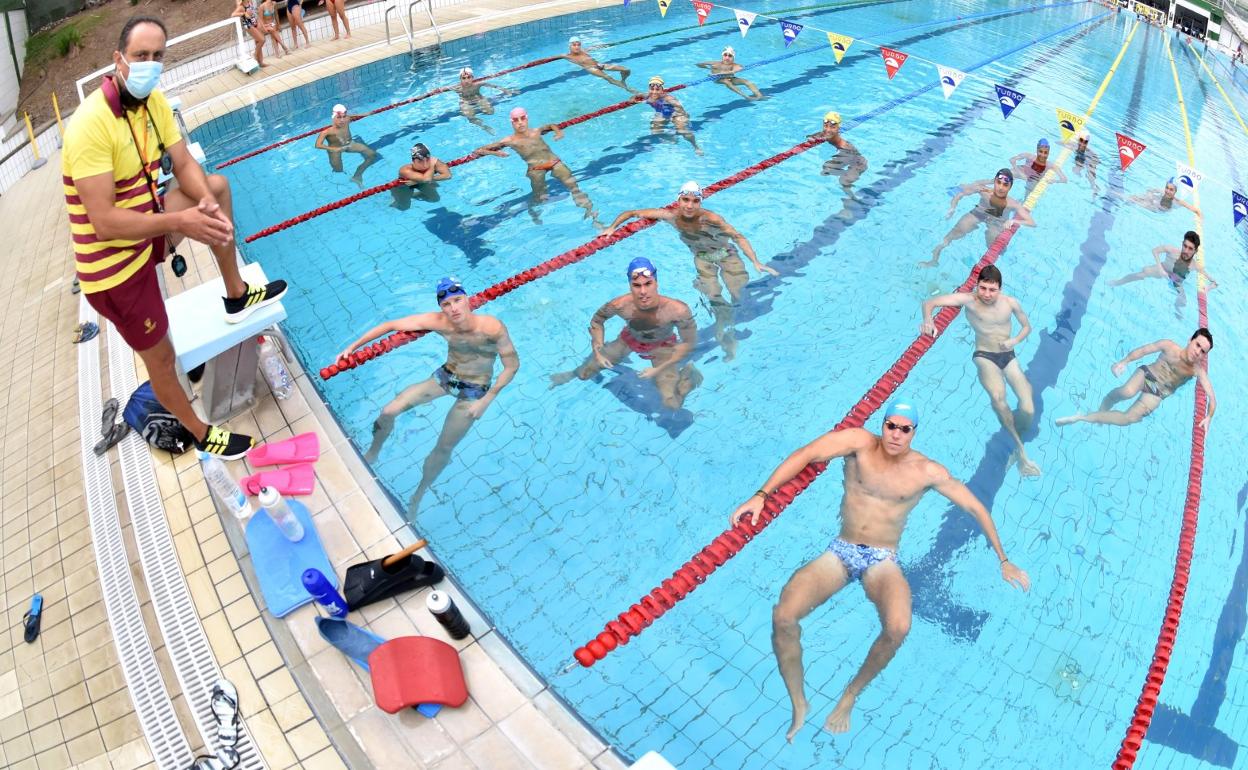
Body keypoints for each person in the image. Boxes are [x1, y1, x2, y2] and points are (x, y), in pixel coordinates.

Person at [731, 399, 1030, 740]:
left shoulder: (926, 471)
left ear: (913, 434)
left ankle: (850, 694)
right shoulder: (859, 443)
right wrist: (761, 495)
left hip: (882, 561)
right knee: (784, 616)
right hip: (841, 552)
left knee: (899, 627)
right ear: (882, 423)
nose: (896, 435)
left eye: (905, 429)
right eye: (892, 426)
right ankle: (799, 703)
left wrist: (1003, 560)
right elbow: (807, 453)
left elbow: (976, 507)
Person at [63, 16, 287, 459]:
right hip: (114, 267)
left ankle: (236, 293)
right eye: (140, 56)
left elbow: (183, 164)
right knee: (162, 358)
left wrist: (204, 206)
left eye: (157, 56)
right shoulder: (90, 124)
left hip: (147, 227)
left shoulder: (153, 104)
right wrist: (178, 224)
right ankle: (202, 432)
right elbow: (104, 222)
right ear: (118, 60)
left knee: (216, 187)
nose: (149, 64)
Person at [339, 278, 519, 513]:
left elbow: (512, 365)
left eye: (457, 300)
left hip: (474, 391)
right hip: (446, 377)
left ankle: (419, 494)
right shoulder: (439, 322)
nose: (453, 308)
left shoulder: (492, 327)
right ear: (441, 307)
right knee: (388, 411)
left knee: (443, 447)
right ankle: (373, 452)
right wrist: (353, 346)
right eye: (446, 304)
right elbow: (391, 325)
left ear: (467, 299)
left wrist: (486, 401)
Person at [605, 181, 777, 360]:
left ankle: (733, 329)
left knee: (739, 297)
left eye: (695, 201)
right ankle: (727, 338)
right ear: (678, 200)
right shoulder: (670, 216)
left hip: (726, 255)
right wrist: (612, 227)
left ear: (700, 202)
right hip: (703, 259)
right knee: (715, 300)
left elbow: (737, 236)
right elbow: (632, 213)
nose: (689, 205)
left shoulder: (711, 218)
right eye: (685, 199)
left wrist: (755, 261)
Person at [920, 266, 1040, 476]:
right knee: (998, 398)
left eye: (991, 290)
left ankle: (1014, 442)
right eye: (982, 288)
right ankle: (1021, 452)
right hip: (985, 356)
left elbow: (1026, 327)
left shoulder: (1010, 303)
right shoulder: (968, 300)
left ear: (1000, 289)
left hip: (1008, 356)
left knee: (1028, 408)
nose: (986, 294)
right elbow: (929, 303)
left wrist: (1015, 340)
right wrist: (928, 320)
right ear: (977, 286)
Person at [550, 257, 702, 409]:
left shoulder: (678, 310)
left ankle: (689, 374)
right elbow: (597, 321)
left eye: (648, 284)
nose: (643, 291)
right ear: (630, 285)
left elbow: (689, 343)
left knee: (671, 404)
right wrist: (598, 351)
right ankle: (571, 374)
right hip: (629, 339)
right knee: (584, 374)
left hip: (662, 346)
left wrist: (658, 370)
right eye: (637, 285)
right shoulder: (620, 305)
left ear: (656, 283)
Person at [1056, 329, 1215, 429]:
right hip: (1147, 375)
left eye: (1203, 351)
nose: (1197, 352)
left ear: (1205, 355)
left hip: (1157, 393)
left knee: (1128, 419)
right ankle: (1101, 411)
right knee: (1126, 392)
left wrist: (1208, 417)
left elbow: (1212, 397)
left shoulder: (1196, 371)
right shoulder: (1169, 346)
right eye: (1197, 345)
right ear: (1190, 340)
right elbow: (1145, 350)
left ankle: (1081, 418)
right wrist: (1124, 362)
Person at [473, 107, 598, 222]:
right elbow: (479, 150)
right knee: (540, 197)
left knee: (574, 187)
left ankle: (590, 211)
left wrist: (559, 132)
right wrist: (496, 153)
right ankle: (532, 209)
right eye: (516, 120)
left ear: (527, 119)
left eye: (522, 118)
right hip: (535, 169)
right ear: (512, 123)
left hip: (554, 162)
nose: (520, 122)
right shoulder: (508, 141)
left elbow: (551, 125)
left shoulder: (536, 131)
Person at [922, 168, 1035, 267]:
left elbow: (1031, 222)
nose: (1000, 187)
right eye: (998, 182)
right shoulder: (984, 191)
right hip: (979, 213)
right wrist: (952, 207)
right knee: (957, 230)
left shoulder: (1012, 203)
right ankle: (934, 259)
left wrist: (1013, 220)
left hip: (997, 221)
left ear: (1010, 187)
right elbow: (961, 194)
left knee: (994, 242)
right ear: (994, 181)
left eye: (1005, 185)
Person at [1108, 231, 1218, 316]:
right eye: (1185, 246)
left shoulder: (1195, 265)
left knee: (1183, 301)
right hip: (1163, 270)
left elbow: (1214, 282)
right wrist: (1160, 268)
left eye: (1190, 248)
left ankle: (1177, 311)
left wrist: (1207, 289)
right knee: (1141, 274)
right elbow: (1155, 251)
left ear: (1195, 251)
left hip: (1177, 281)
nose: (1186, 250)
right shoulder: (1172, 250)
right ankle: (1118, 282)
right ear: (1182, 243)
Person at [314, 104, 379, 186]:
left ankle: (357, 175)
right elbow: (318, 145)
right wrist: (333, 149)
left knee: (372, 155)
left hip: (350, 144)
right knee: (338, 170)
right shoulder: (327, 132)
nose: (342, 120)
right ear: (333, 118)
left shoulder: (347, 119)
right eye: (339, 118)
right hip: (335, 150)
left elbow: (352, 116)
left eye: (344, 117)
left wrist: (365, 114)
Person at [807, 111, 867, 191]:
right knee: (826, 170)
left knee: (843, 181)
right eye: (826, 126)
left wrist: (846, 173)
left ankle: (853, 198)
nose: (828, 130)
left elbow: (849, 157)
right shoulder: (824, 133)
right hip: (849, 155)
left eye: (832, 127)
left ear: (838, 128)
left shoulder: (845, 146)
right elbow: (811, 137)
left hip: (856, 160)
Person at [644, 76, 701, 155]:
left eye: (657, 89)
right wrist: (632, 99)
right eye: (652, 89)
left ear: (662, 90)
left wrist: (683, 119)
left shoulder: (669, 99)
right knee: (655, 131)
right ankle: (672, 139)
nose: (654, 92)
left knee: (684, 132)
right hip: (663, 114)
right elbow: (635, 95)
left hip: (676, 114)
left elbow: (681, 109)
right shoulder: (647, 96)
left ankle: (696, 146)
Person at [455, 66, 518, 133]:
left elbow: (493, 86)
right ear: (460, 79)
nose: (466, 80)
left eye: (468, 77)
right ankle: (483, 126)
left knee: (490, 112)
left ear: (472, 78)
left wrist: (505, 90)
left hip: (479, 99)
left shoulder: (477, 84)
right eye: (464, 78)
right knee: (470, 117)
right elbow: (445, 89)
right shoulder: (457, 88)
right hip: (465, 102)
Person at [562, 36, 634, 92]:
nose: (577, 47)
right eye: (574, 45)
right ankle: (629, 89)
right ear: (570, 46)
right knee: (609, 78)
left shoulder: (583, 51)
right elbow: (555, 56)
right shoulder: (568, 56)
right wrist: (550, 59)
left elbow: (595, 47)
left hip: (599, 65)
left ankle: (623, 81)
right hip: (591, 68)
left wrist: (604, 45)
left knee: (626, 70)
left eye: (578, 45)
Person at [391, 143, 451, 209]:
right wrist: (432, 165)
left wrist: (432, 178)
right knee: (404, 207)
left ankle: (414, 195)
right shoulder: (405, 170)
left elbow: (448, 175)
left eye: (427, 159)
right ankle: (396, 201)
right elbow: (426, 179)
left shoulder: (434, 161)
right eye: (420, 161)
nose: (425, 164)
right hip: (404, 186)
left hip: (420, 183)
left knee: (435, 199)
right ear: (413, 160)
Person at [695, 46, 763, 99]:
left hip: (731, 78)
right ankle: (747, 97)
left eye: (730, 56)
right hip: (718, 79)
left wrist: (716, 74)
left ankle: (759, 96)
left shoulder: (736, 65)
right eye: (725, 55)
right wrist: (707, 68)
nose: (727, 58)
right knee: (726, 81)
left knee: (746, 81)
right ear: (722, 56)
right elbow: (698, 64)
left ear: (733, 58)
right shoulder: (715, 63)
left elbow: (733, 71)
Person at [1126, 178, 1201, 217]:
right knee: (1134, 197)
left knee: (1140, 202)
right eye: (1167, 188)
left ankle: (1123, 198)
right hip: (1155, 202)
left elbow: (1196, 210)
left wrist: (1200, 219)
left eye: (1171, 190)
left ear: (1175, 191)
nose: (1167, 191)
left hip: (1159, 209)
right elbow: (1151, 189)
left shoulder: (1178, 202)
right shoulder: (1162, 191)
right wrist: (1150, 195)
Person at [1065, 129, 1101, 197]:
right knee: (1076, 170)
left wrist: (1094, 162)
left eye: (1085, 142)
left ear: (1088, 143)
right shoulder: (1073, 145)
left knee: (1090, 173)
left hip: (1088, 159)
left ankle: (1095, 188)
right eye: (1081, 140)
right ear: (1078, 139)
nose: (1083, 144)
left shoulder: (1091, 154)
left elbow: (1096, 160)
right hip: (1081, 159)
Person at [232, 0, 266, 68]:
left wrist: (260, 24)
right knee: (262, 40)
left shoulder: (250, 2)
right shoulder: (241, 7)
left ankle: (261, 62)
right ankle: (255, 54)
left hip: (255, 23)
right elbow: (233, 14)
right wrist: (244, 14)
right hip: (248, 26)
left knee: (258, 42)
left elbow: (254, 14)